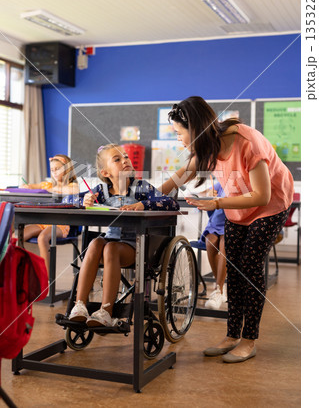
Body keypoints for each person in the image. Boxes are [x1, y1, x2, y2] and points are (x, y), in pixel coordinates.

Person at [159, 96, 294, 363]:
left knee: (250, 268)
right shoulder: (207, 146)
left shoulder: (247, 143)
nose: (178, 139)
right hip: (237, 207)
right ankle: (232, 335)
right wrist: (147, 198)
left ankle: (248, 340)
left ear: (195, 128)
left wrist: (216, 202)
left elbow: (262, 196)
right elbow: (183, 174)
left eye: (179, 133)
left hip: (270, 205)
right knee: (233, 267)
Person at [69, 144, 179, 327]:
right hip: (110, 244)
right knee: (96, 243)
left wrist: (143, 205)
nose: (125, 160)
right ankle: (79, 306)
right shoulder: (100, 191)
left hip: (137, 246)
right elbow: (67, 200)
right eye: (117, 159)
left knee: (110, 247)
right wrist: (83, 200)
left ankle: (106, 311)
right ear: (106, 172)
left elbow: (170, 203)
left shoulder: (142, 188)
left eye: (126, 157)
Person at [20, 154, 79, 271]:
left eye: (57, 169)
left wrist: (50, 190)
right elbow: (32, 187)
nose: (54, 173)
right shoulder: (48, 184)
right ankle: (18, 270)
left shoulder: (72, 185)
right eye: (52, 170)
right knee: (17, 236)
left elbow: (73, 190)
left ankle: (46, 277)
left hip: (60, 225)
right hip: (42, 223)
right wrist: (26, 186)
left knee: (42, 238)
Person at [200, 179, 227, 310]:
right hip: (216, 223)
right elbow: (202, 194)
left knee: (225, 244)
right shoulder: (220, 183)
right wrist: (208, 194)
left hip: (232, 223)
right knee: (210, 243)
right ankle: (220, 287)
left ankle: (218, 288)